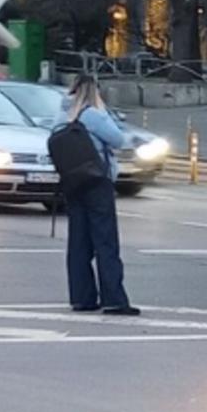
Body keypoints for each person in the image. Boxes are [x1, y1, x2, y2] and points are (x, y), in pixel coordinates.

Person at [60, 76, 136, 316]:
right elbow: (118, 139)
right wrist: (105, 113)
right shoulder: (92, 114)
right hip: (96, 181)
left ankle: (82, 298)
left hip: (72, 182)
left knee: (78, 242)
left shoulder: (61, 114)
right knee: (105, 241)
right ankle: (114, 299)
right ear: (95, 92)